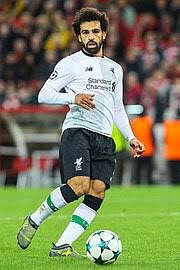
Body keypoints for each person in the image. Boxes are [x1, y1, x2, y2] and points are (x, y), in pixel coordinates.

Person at [17, 7, 145, 257]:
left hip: (105, 137)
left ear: (104, 34)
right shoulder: (70, 64)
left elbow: (117, 106)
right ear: (79, 36)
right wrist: (73, 97)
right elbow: (44, 94)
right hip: (77, 130)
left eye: (95, 31)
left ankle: (62, 245)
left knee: (97, 190)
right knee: (78, 185)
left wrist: (131, 136)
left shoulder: (115, 69)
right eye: (85, 32)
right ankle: (34, 219)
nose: (90, 36)